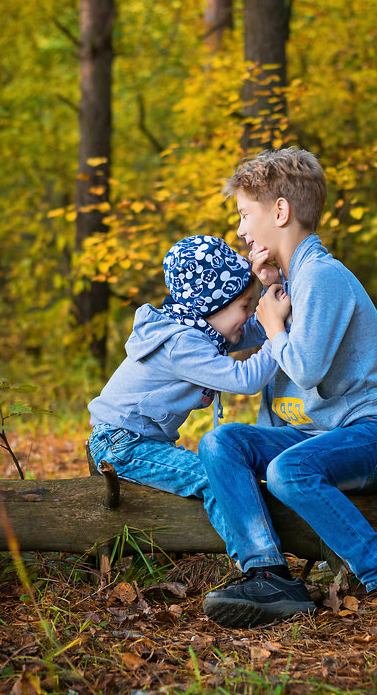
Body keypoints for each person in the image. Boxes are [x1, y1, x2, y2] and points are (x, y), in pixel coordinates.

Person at [198, 147, 377, 638]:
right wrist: (268, 291)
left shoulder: (324, 277)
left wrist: (273, 325)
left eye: (246, 215)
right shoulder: (294, 283)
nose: (241, 231)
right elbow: (271, 377)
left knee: (288, 468)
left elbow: (306, 368)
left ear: (280, 211)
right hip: (319, 438)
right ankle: (270, 574)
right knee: (222, 442)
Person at [87, 234, 287, 559]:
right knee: (214, 476)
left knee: (219, 470)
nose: (251, 315)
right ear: (213, 305)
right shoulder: (183, 345)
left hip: (133, 440)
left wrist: (276, 290)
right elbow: (246, 378)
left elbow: (258, 327)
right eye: (245, 307)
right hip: (121, 443)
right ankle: (259, 563)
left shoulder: (198, 332)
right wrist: (279, 334)